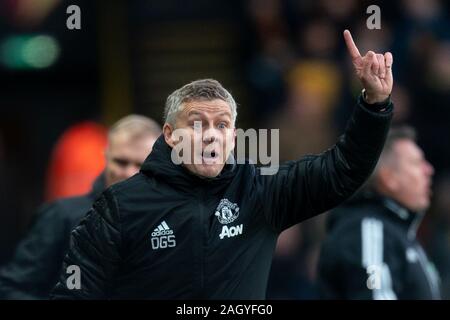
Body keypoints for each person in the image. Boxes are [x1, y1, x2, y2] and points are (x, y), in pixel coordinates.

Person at [52, 30, 394, 299]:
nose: (210, 135)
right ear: (170, 135)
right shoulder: (122, 206)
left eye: (222, 125)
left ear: (233, 137)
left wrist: (373, 105)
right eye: (197, 123)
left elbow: (343, 169)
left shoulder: (260, 190)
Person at [0, 115, 161, 299]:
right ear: (106, 156)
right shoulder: (62, 216)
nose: (129, 172)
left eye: (140, 164)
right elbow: (12, 286)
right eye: (121, 162)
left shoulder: (174, 218)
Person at [317, 126, 441, 300]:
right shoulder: (369, 231)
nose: (428, 170)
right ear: (388, 178)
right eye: (416, 162)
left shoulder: (396, 233)